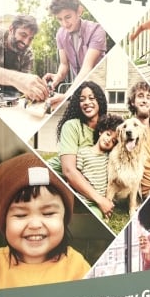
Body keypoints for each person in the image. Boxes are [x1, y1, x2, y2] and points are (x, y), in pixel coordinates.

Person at [0, 152, 91, 289]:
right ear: (3, 221)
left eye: (48, 213)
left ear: (64, 218)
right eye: (21, 215)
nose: (35, 225)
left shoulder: (76, 266)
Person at [48, 81, 115, 217]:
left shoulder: (108, 132)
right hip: (53, 176)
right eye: (82, 99)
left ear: (100, 101)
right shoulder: (72, 126)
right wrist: (100, 200)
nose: (86, 102)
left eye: (91, 98)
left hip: (82, 189)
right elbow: (69, 171)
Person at [43, 0, 107, 106]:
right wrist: (56, 79)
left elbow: (87, 68)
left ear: (79, 11)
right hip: (80, 90)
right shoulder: (60, 34)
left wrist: (66, 95)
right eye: (59, 19)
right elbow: (64, 65)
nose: (64, 24)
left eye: (68, 17)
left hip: (100, 86)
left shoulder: (97, 30)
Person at [75, 114, 124, 219]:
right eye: (108, 134)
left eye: (114, 141)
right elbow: (75, 175)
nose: (109, 140)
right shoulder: (83, 152)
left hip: (98, 204)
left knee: (95, 216)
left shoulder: (109, 158)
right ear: (101, 131)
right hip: (81, 198)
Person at [0, 14, 49, 102]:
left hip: (12, 99)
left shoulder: (28, 53)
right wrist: (19, 79)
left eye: (30, 39)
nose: (26, 42)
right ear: (11, 29)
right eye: (23, 35)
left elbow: (26, 88)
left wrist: (35, 91)